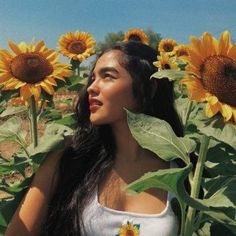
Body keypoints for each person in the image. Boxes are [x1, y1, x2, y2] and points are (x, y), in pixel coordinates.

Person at [5, 41, 183, 236]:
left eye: (107, 76)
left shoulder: (185, 171)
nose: (91, 87)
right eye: (92, 78)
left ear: (149, 88)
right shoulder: (68, 158)